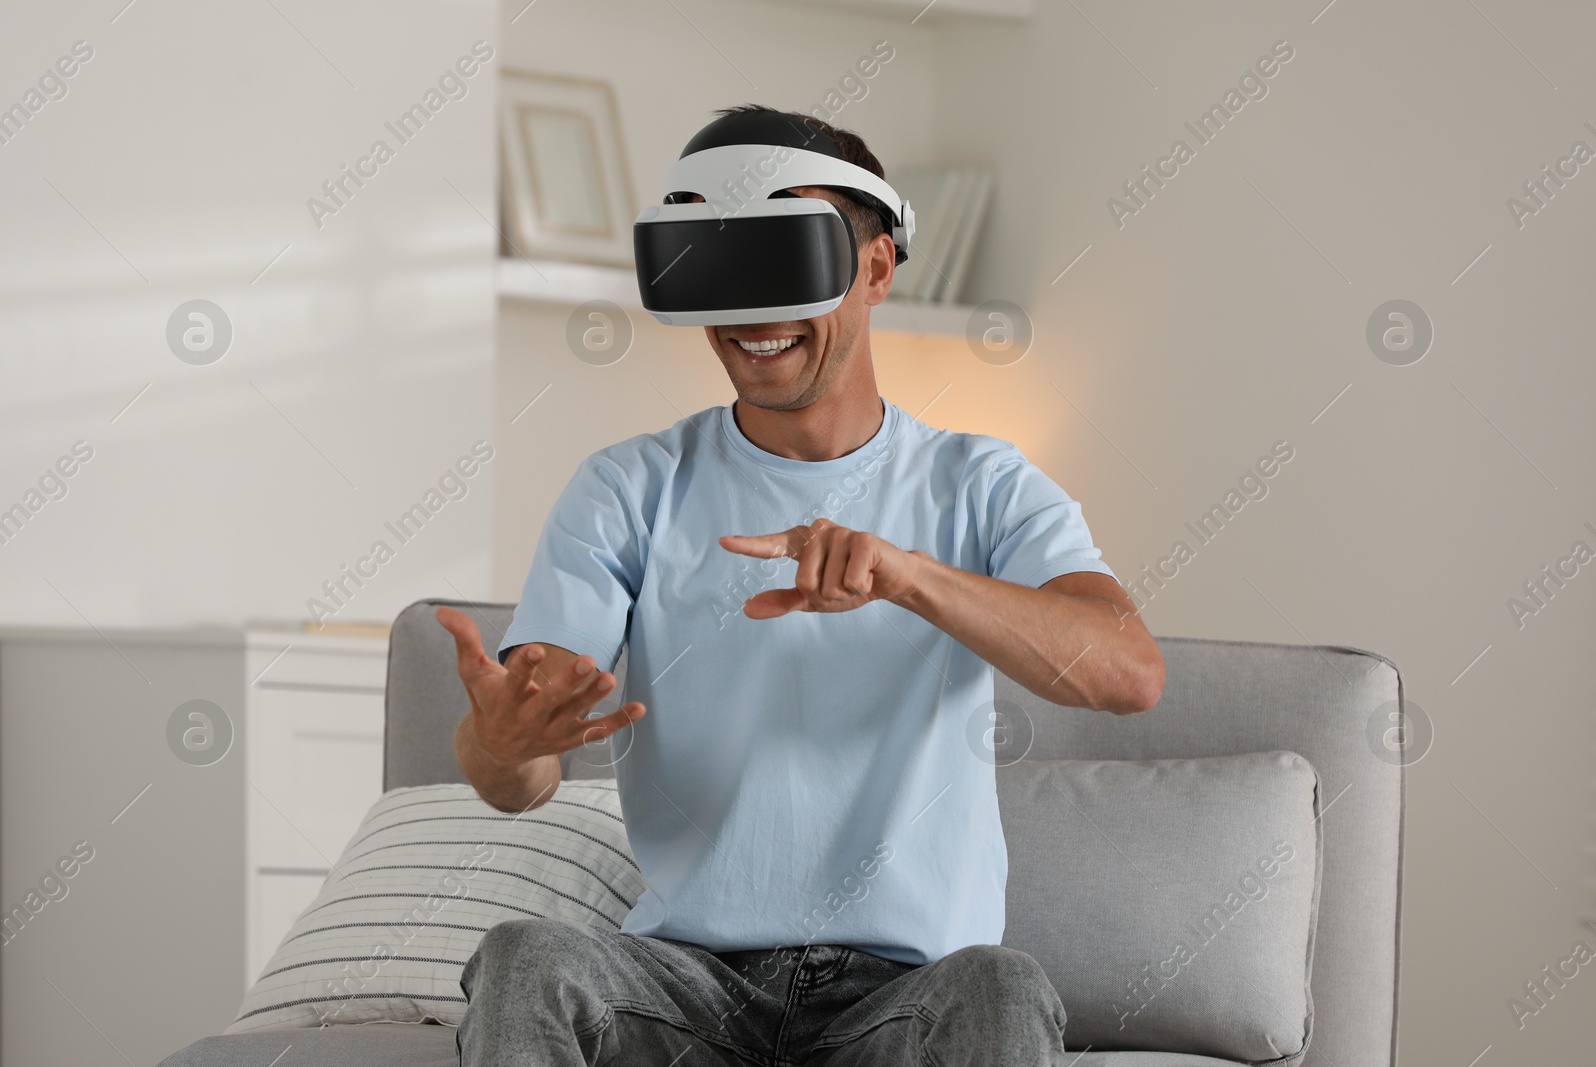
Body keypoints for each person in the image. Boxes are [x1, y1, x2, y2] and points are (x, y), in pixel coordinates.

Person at [437, 104, 1165, 1066]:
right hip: (689, 985)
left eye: (784, 264)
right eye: (721, 269)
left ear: (873, 269)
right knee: (526, 959)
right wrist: (500, 742)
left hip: (906, 995)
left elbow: (1127, 672)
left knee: (1002, 985)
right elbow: (520, 771)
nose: (750, 315)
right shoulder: (628, 487)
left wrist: (907, 576)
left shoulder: (983, 484)